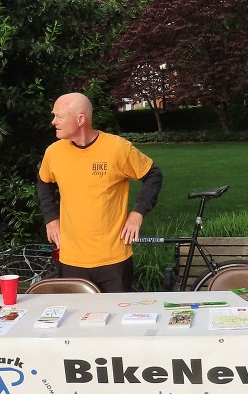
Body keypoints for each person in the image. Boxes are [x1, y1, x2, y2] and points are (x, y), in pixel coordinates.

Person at [36, 92, 162, 293]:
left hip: (114, 259)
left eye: (59, 117)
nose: (53, 122)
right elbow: (43, 183)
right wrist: (51, 218)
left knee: (116, 321)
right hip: (71, 259)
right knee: (75, 321)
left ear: (80, 119)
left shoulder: (118, 148)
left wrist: (138, 213)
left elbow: (153, 175)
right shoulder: (54, 152)